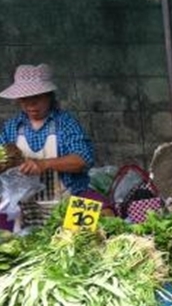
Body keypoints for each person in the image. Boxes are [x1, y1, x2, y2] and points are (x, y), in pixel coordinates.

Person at [0, 64, 100, 227]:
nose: (31, 105)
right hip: (26, 209)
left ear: (49, 96)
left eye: (36, 98)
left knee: (76, 245)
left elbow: (83, 160)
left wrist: (44, 164)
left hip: (69, 202)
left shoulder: (66, 123)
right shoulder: (12, 127)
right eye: (25, 99)